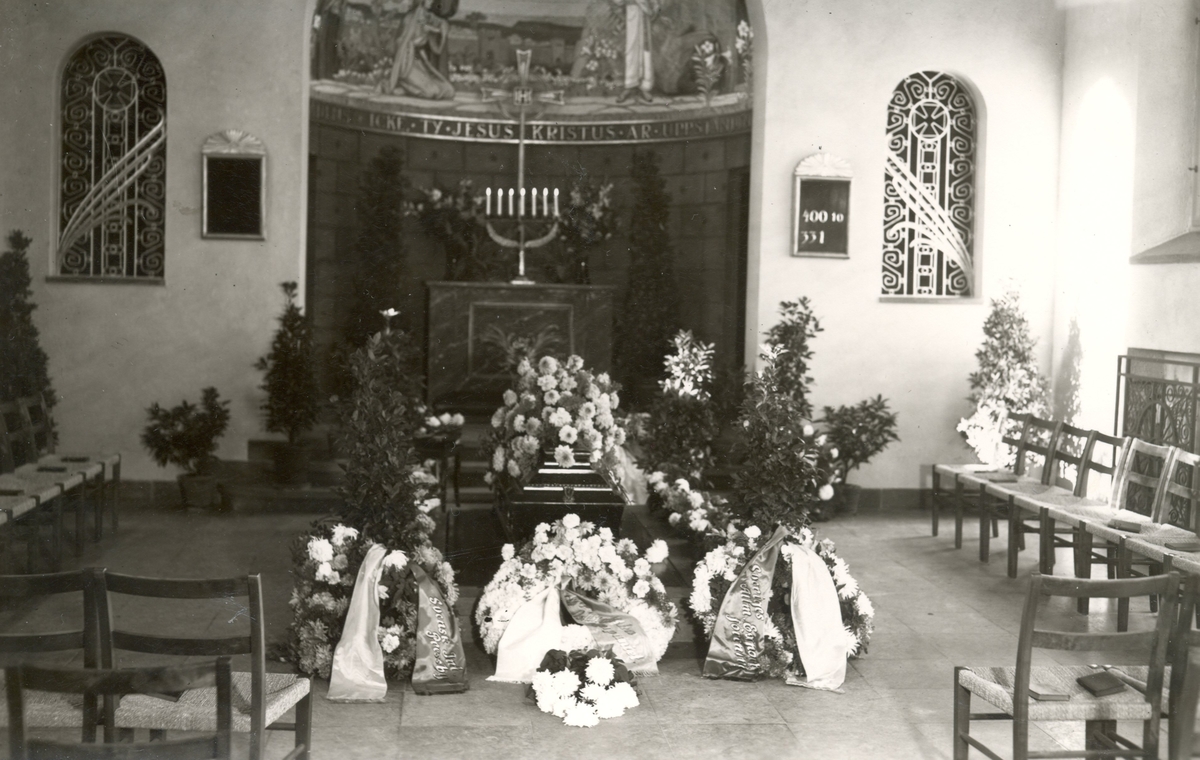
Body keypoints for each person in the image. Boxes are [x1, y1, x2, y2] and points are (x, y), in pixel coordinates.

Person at [386, 0, 455, 100]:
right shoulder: (410, 18)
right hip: (407, 63)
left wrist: (442, 33)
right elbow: (401, 41)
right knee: (431, 92)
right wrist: (414, 43)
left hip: (420, 63)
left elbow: (437, 49)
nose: (431, 2)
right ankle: (402, 86)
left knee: (448, 90)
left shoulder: (427, 18)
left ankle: (406, 88)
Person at [614, 0, 659, 104]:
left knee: (645, 51)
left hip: (645, 13)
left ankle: (645, 86)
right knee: (631, 49)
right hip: (631, 12)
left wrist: (653, 6)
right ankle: (629, 84)